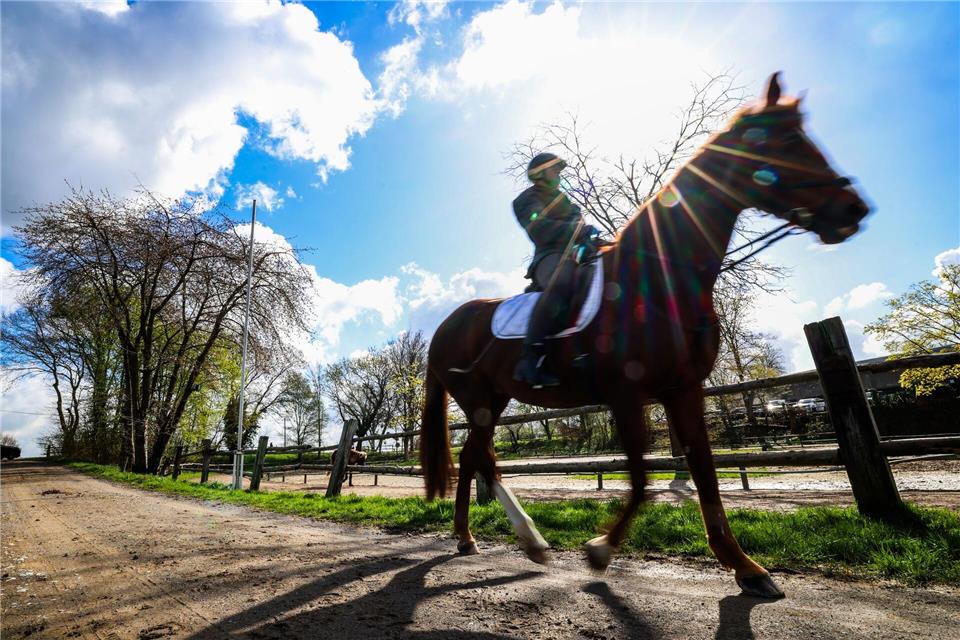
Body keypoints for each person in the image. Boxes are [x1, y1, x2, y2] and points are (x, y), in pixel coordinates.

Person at [512, 152, 603, 388]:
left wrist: (588, 237)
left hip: (577, 255)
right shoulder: (525, 199)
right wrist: (575, 230)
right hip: (548, 258)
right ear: (540, 173)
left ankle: (587, 347)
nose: (560, 175)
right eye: (556, 170)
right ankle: (531, 358)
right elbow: (539, 228)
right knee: (563, 280)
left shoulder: (565, 200)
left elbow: (579, 225)